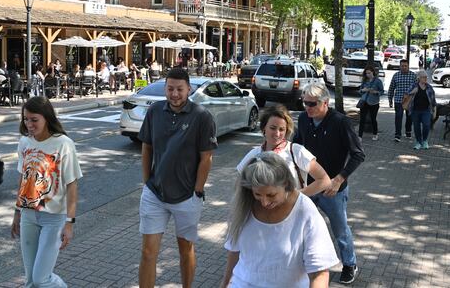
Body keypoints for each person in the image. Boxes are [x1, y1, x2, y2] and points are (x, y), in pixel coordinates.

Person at [137, 67, 217, 287]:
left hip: (187, 196)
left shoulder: (201, 116)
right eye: (170, 88)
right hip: (155, 193)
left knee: (185, 249)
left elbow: (206, 158)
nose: (174, 94)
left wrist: (197, 190)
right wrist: (146, 182)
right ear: (165, 88)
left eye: (179, 89)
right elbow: (147, 147)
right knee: (147, 251)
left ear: (189, 89)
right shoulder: (154, 111)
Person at [220, 152, 339, 288]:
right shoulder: (244, 206)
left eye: (271, 195)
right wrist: (224, 284)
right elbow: (234, 253)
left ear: (286, 184)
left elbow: (319, 273)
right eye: (257, 194)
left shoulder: (305, 211)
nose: (264, 202)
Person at [293, 83, 365, 285]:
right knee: (303, 225)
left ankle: (349, 264)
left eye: (312, 104)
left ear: (325, 103)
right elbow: (297, 146)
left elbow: (358, 154)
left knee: (340, 229)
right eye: (304, 103)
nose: (307, 108)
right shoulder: (304, 119)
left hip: (333, 190)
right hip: (308, 186)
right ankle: (306, 261)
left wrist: (338, 180)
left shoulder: (340, 122)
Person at [10, 96, 82, 288]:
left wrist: (70, 223)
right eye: (26, 119)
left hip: (54, 219)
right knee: (30, 280)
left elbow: (72, 185)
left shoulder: (64, 144)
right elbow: (23, 180)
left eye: (34, 119)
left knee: (42, 278)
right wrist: (17, 212)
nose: (29, 124)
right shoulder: (25, 142)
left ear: (47, 118)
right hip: (28, 215)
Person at [237, 105, 331, 197]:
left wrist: (295, 197)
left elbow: (324, 180)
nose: (277, 134)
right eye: (273, 128)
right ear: (264, 128)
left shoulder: (296, 151)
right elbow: (240, 184)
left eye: (282, 129)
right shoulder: (254, 155)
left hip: (293, 211)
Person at [405, 70, 437, 150]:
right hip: (415, 110)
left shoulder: (429, 87)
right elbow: (406, 95)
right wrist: (413, 92)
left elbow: (433, 101)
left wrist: (434, 111)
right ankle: (418, 142)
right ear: (419, 78)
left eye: (426, 77)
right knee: (416, 127)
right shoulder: (414, 86)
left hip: (426, 110)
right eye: (423, 77)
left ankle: (425, 140)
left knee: (426, 125)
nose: (425, 79)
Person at [387, 59, 417, 142]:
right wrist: (390, 99)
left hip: (410, 100)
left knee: (409, 117)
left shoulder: (413, 75)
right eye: (402, 66)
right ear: (400, 66)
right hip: (398, 100)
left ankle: (408, 132)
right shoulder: (396, 75)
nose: (404, 67)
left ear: (408, 66)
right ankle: (397, 135)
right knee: (398, 117)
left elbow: (417, 88)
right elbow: (391, 88)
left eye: (405, 66)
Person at [357, 65, 385, 141]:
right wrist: (363, 90)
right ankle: (360, 136)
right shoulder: (364, 81)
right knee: (362, 119)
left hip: (374, 103)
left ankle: (375, 134)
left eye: (369, 73)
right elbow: (359, 91)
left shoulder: (378, 81)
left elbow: (382, 91)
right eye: (366, 73)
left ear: (373, 72)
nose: (368, 75)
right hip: (364, 101)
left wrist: (375, 92)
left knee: (373, 119)